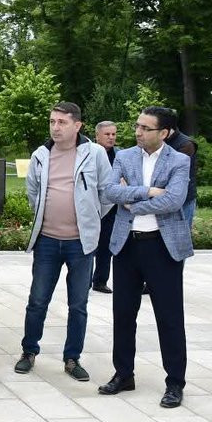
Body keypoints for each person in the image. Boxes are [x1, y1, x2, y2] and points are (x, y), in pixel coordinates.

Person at [99, 106, 193, 408]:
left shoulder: (179, 160)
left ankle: (175, 382)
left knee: (169, 317)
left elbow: (174, 200)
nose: (138, 132)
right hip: (127, 246)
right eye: (137, 126)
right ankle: (123, 374)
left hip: (162, 248)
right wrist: (150, 191)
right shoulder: (125, 157)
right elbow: (110, 191)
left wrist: (133, 201)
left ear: (164, 132)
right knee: (123, 314)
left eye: (145, 128)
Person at [15, 102, 111, 382]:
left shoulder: (95, 154)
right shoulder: (40, 155)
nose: (55, 127)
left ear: (77, 125)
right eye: (52, 122)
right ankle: (29, 351)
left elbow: (106, 194)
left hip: (80, 244)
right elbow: (33, 192)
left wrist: (90, 217)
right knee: (37, 301)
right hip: (47, 241)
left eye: (62, 122)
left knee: (78, 304)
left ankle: (72, 358)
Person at [90, 121, 118, 293]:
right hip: (92, 206)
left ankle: (100, 281)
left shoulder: (119, 155)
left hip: (112, 208)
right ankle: (84, 281)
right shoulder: (89, 154)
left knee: (106, 246)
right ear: (97, 136)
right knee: (88, 247)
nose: (111, 137)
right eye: (107, 134)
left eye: (113, 134)